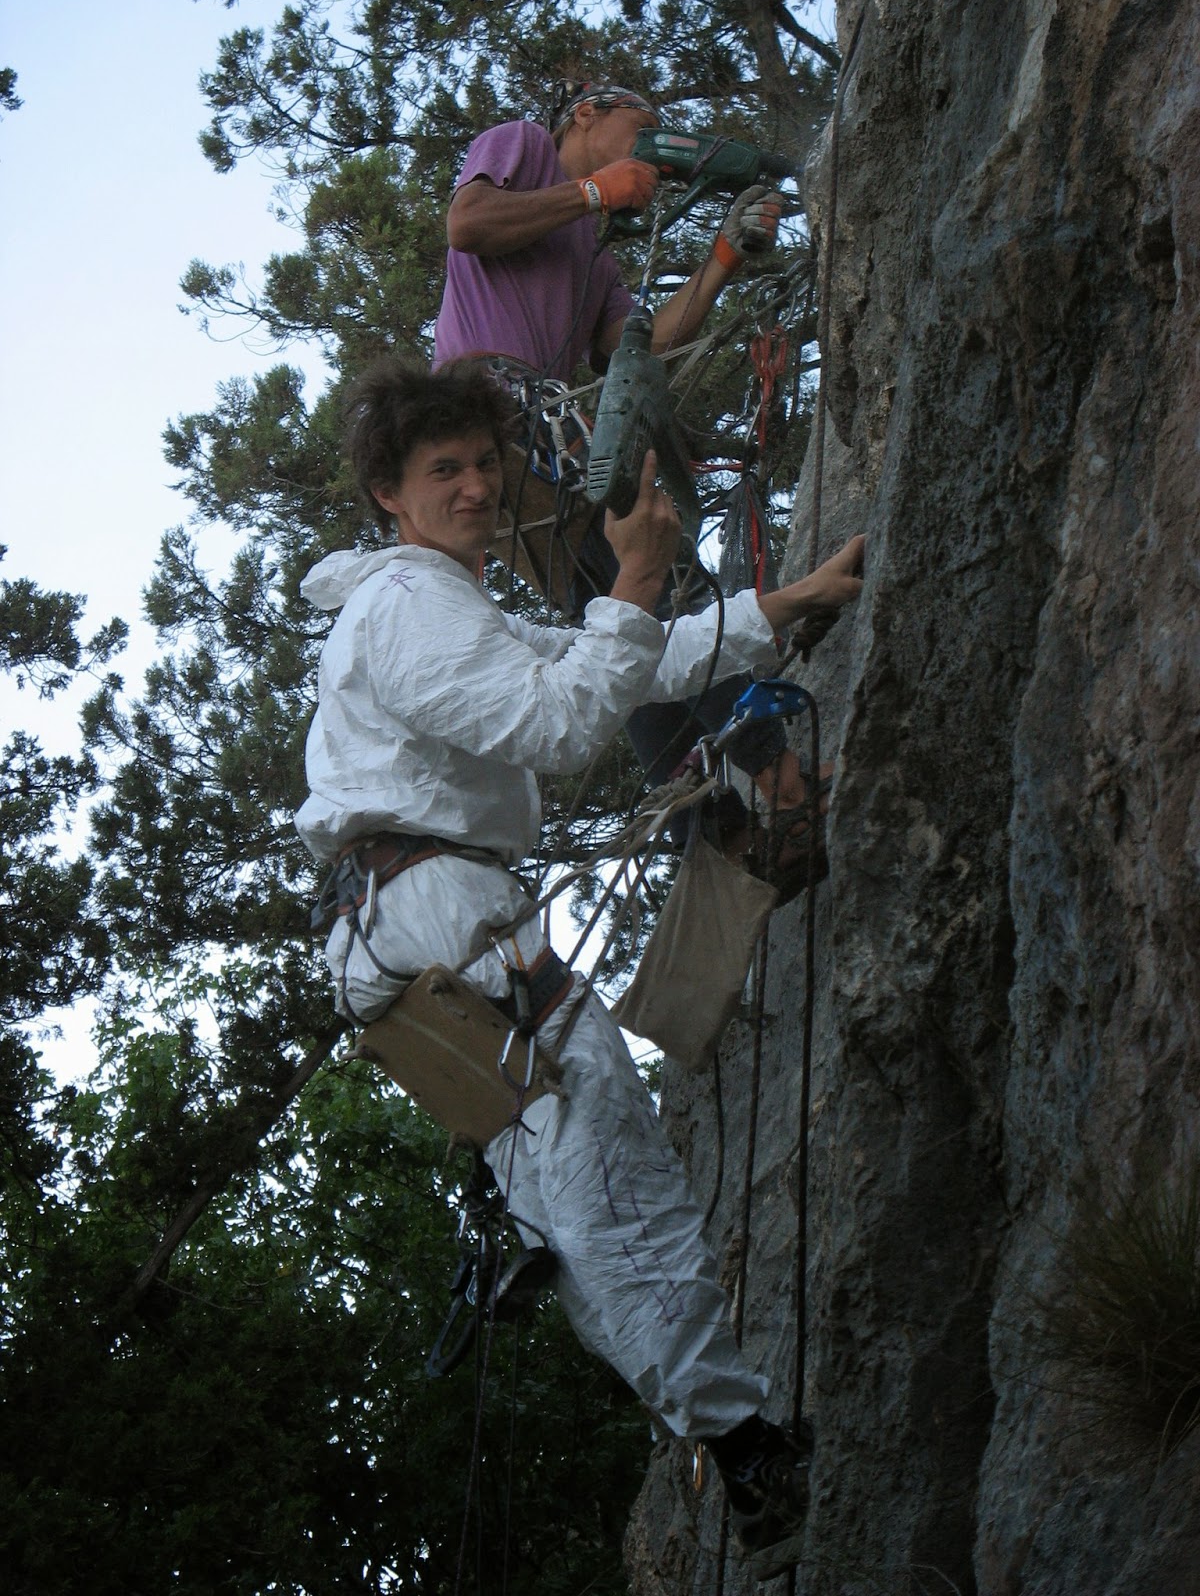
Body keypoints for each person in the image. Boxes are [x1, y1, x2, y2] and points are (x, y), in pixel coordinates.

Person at [295, 358, 865, 1580]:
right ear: (387, 496)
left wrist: (785, 600)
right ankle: (747, 1444)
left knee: (568, 1200)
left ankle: (728, 1429)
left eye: (484, 463)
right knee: (609, 1161)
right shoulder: (409, 604)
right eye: (441, 469)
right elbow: (560, 722)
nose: (476, 485)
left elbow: (621, 658)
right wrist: (643, 574)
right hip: (443, 916)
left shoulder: (440, 605)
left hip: (398, 940)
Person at [432, 80, 830, 897]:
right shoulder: (523, 145)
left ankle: (709, 832)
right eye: (639, 127)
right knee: (664, 577)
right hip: (495, 408)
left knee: (627, 622)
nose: (650, 145)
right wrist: (591, 190)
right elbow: (467, 225)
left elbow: (639, 342)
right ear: (585, 114)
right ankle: (780, 785)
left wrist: (722, 257)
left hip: (531, 435)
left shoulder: (595, 257)